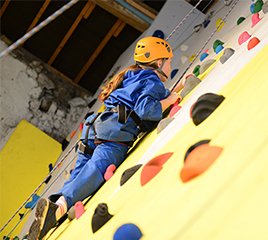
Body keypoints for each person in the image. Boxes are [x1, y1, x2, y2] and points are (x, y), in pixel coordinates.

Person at [28, 36, 185, 240]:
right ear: (158, 62)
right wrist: (173, 98)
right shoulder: (151, 79)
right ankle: (57, 208)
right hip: (115, 132)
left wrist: (177, 88)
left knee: (80, 172)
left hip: (94, 127)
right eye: (169, 60)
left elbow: (144, 97)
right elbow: (146, 108)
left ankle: (55, 206)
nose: (170, 64)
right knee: (95, 170)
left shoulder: (132, 74)